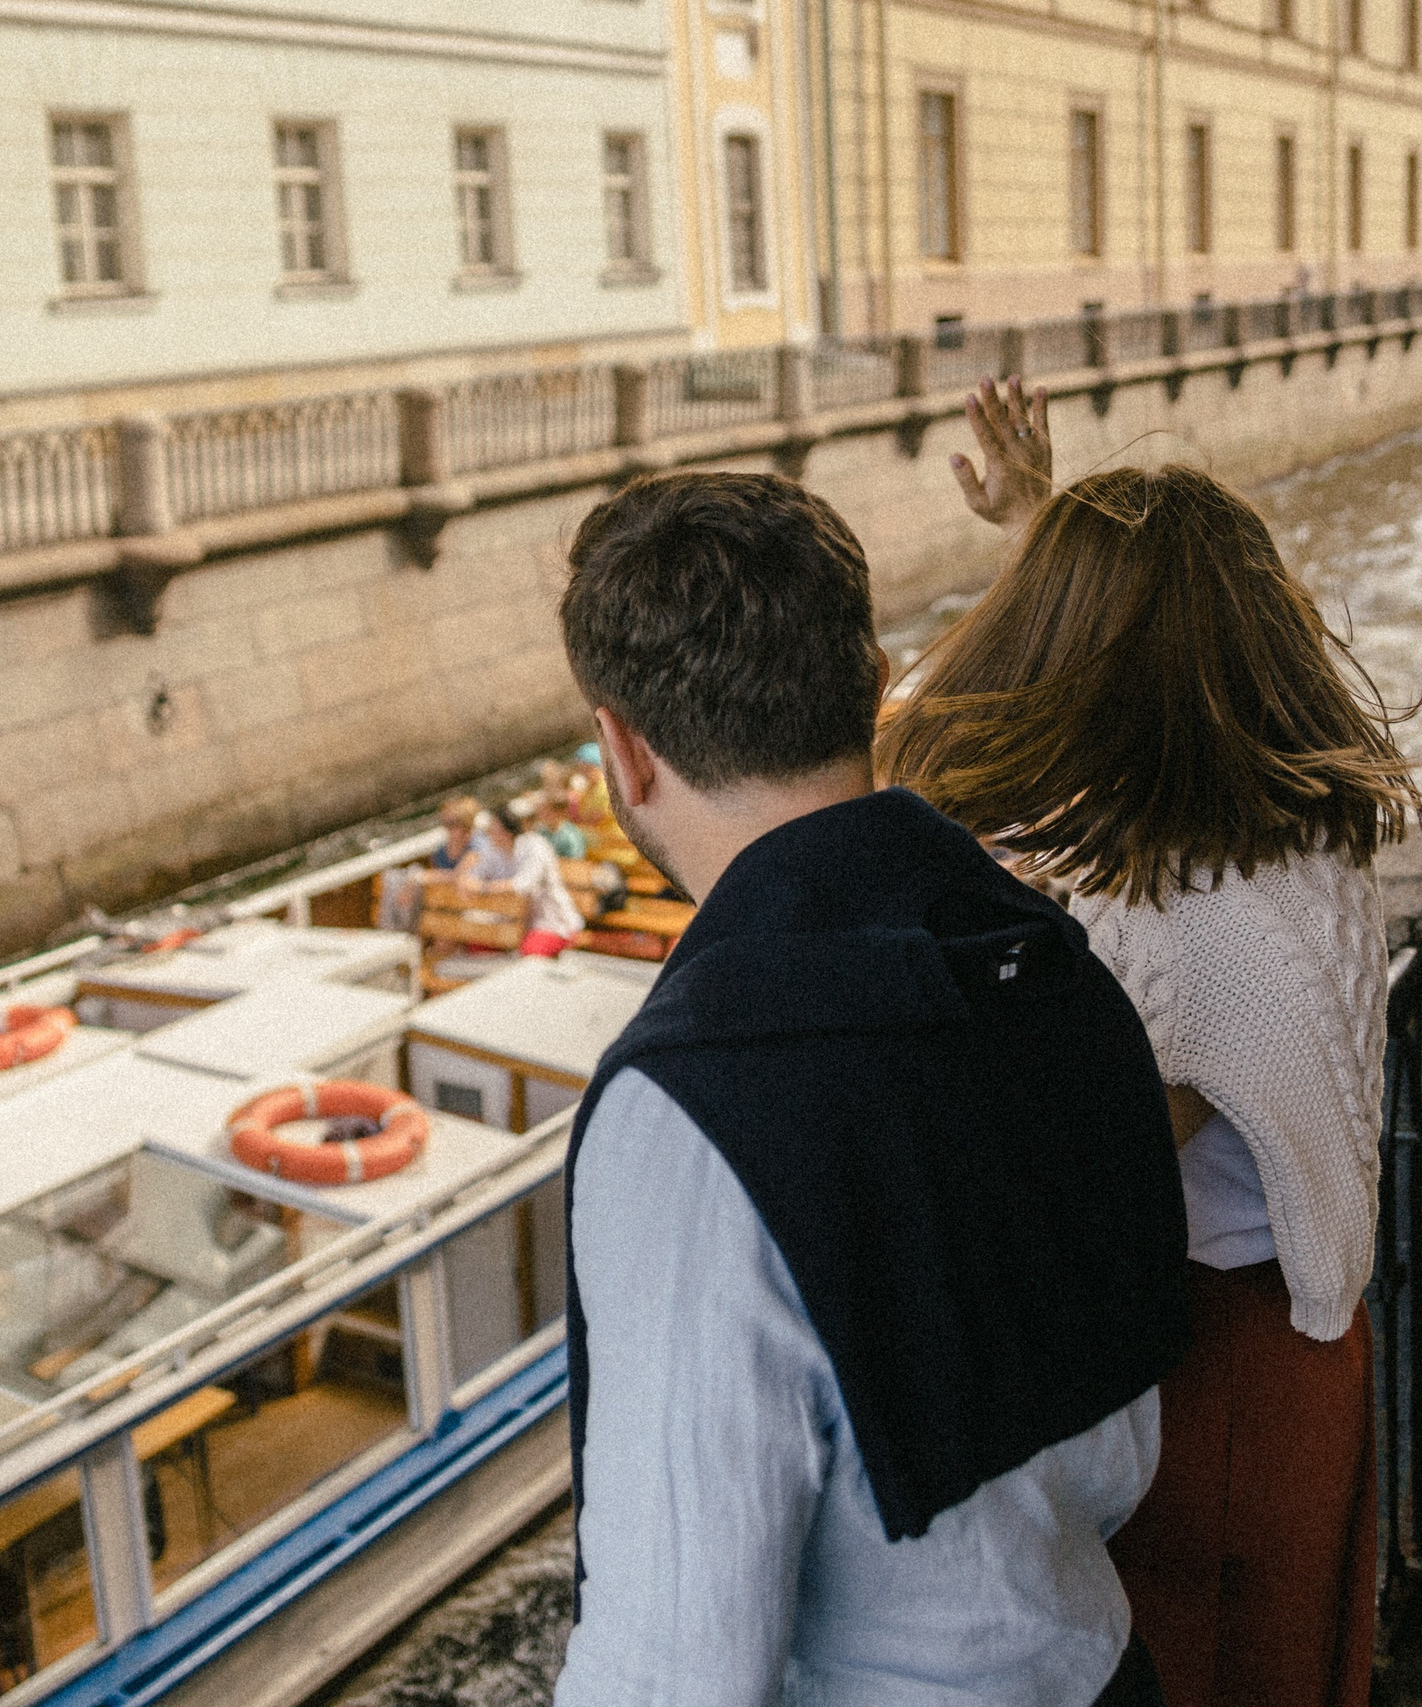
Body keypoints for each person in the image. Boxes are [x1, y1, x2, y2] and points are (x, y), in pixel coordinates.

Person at [551, 470, 1190, 1706]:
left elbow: (677, 1666)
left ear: (624, 752)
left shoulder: (688, 1108)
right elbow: (1116, 1462)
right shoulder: (1046, 955)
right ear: (875, 683)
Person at [879, 378, 1422, 1707]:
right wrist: (1040, 528)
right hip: (1306, 1357)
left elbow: (1092, 1156)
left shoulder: (1163, 911)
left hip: (1194, 1377)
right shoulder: (1297, 829)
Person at [460, 801, 585, 959]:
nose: (489, 831)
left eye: (493, 826)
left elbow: (523, 885)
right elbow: (473, 877)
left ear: (508, 828)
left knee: (528, 954)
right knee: (476, 942)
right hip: (511, 923)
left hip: (551, 923)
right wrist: (465, 877)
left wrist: (482, 887)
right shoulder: (493, 850)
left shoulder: (535, 846)